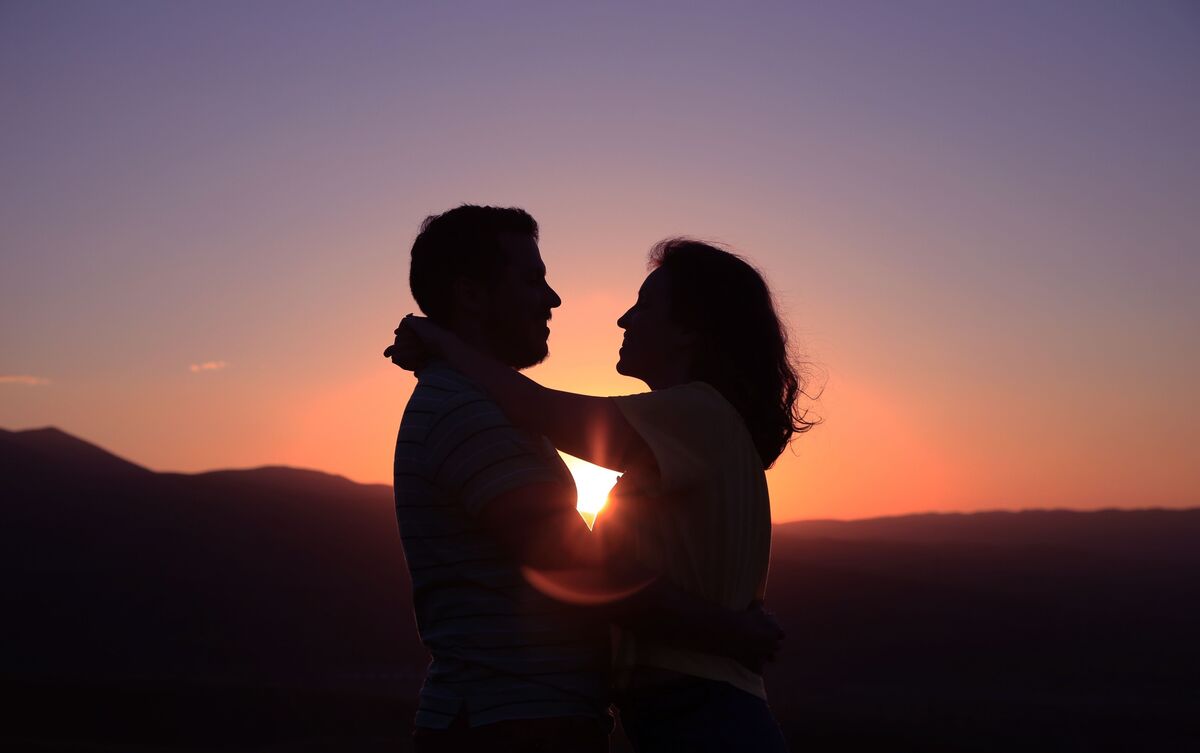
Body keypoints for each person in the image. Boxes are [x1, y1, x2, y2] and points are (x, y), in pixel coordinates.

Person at [389, 236, 813, 752]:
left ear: (690, 331)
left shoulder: (698, 414)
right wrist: (723, 628)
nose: (624, 320)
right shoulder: (688, 427)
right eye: (531, 279)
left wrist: (440, 342)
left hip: (703, 713)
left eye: (645, 305)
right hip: (670, 712)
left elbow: (542, 410)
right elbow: (581, 562)